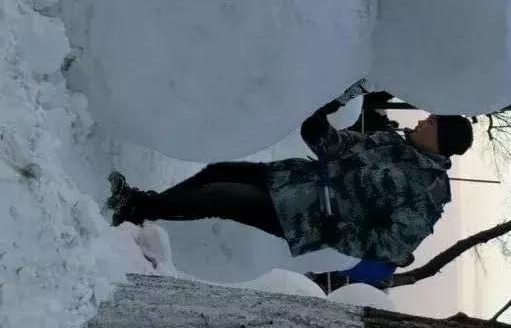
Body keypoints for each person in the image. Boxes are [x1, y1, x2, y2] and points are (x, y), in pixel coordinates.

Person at [105, 98, 473, 267]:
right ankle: (144, 207)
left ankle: (138, 206)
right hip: (292, 178)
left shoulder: (428, 193)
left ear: (442, 144)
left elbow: (390, 246)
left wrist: (335, 230)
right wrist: (317, 122)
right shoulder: (392, 142)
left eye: (433, 124)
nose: (424, 121)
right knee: (216, 172)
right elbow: (334, 148)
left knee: (219, 197)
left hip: (303, 217)